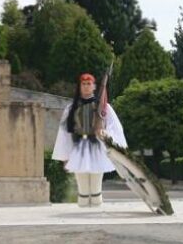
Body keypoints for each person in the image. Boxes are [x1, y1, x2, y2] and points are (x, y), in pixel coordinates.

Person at [52, 72, 127, 207]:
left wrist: (105, 133)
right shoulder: (71, 108)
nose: (86, 87)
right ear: (80, 86)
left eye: (89, 84)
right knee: (83, 191)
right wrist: (65, 156)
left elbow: (115, 128)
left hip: (96, 147)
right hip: (78, 148)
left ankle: (96, 211)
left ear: (94, 86)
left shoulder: (104, 107)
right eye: (83, 84)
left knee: (96, 189)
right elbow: (64, 134)